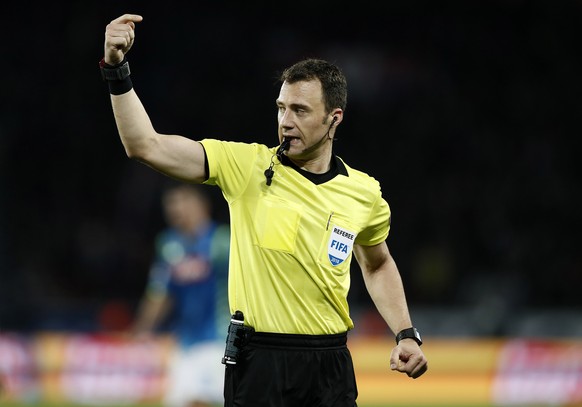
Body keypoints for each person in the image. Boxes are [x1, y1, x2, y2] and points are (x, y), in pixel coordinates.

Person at [101, 13, 428, 407]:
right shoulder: (245, 167)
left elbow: (377, 265)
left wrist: (405, 333)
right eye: (281, 108)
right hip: (258, 362)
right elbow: (145, 145)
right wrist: (118, 70)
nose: (285, 122)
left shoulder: (364, 193)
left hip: (330, 363)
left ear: (333, 119)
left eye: (300, 111)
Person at [131, 182, 230, 407]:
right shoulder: (168, 244)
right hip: (184, 342)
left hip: (218, 338)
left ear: (202, 205)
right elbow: (159, 293)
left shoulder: (223, 241)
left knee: (202, 400)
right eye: (171, 204)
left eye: (183, 201)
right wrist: (142, 328)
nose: (176, 209)